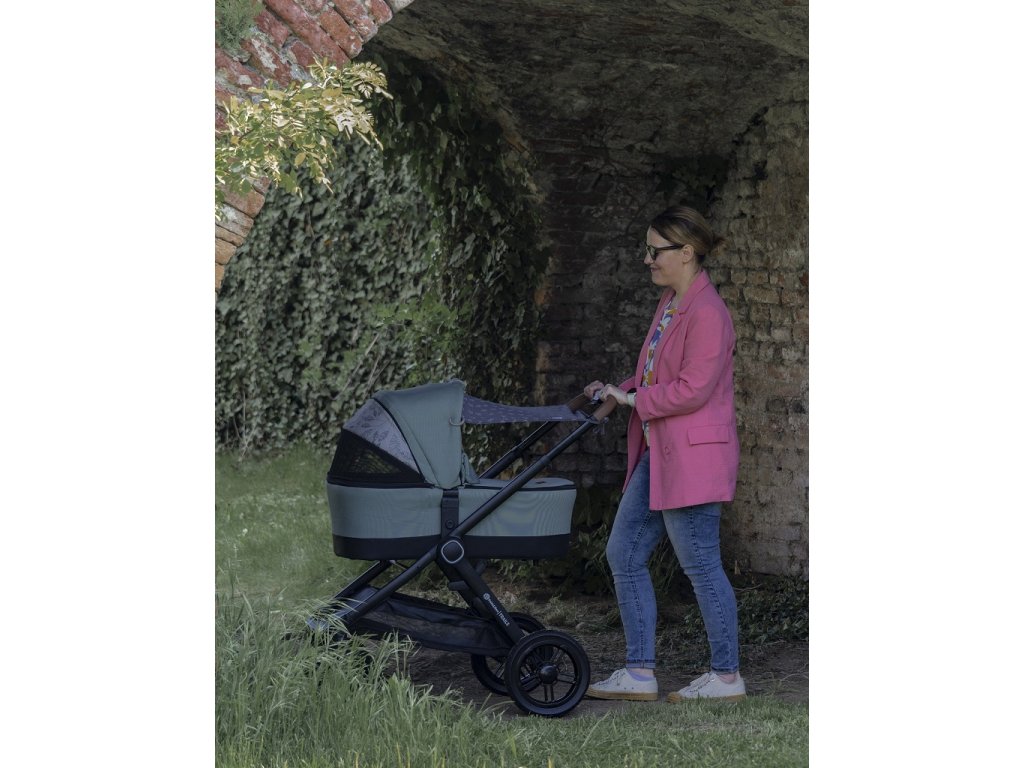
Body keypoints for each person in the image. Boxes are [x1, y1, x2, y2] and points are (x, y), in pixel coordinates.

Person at [584, 205, 744, 703]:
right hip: (661, 454)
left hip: (692, 459)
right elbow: (657, 374)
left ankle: (726, 678)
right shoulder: (672, 303)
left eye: (656, 251)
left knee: (700, 564)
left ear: (687, 253)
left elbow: (693, 388)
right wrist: (618, 391)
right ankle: (639, 672)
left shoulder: (708, 313)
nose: (648, 259)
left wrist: (635, 400)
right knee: (624, 553)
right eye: (647, 250)